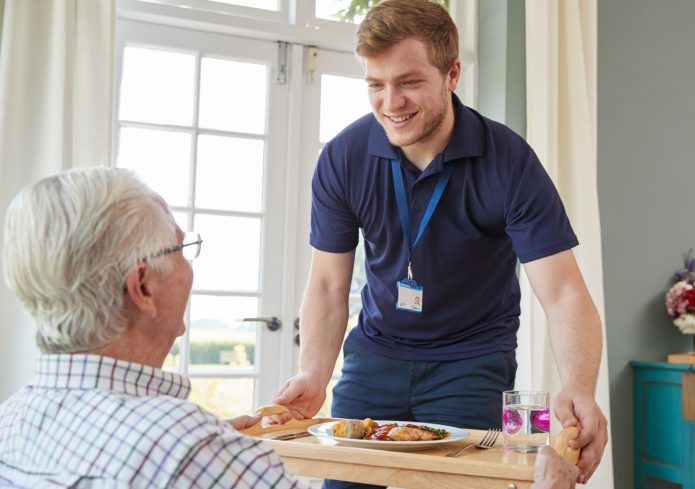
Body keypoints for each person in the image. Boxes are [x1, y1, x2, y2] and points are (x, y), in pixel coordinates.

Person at [272, 0, 608, 487]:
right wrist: (313, 374)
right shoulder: (343, 158)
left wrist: (579, 386)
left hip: (470, 363)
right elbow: (326, 284)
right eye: (376, 84)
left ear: (452, 74)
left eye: (409, 82)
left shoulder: (509, 161)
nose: (391, 102)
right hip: (374, 358)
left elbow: (563, 293)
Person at [0, 167, 308, 488]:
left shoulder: (9, 422)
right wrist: (211, 451)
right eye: (180, 249)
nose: (188, 265)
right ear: (143, 287)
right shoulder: (190, 449)